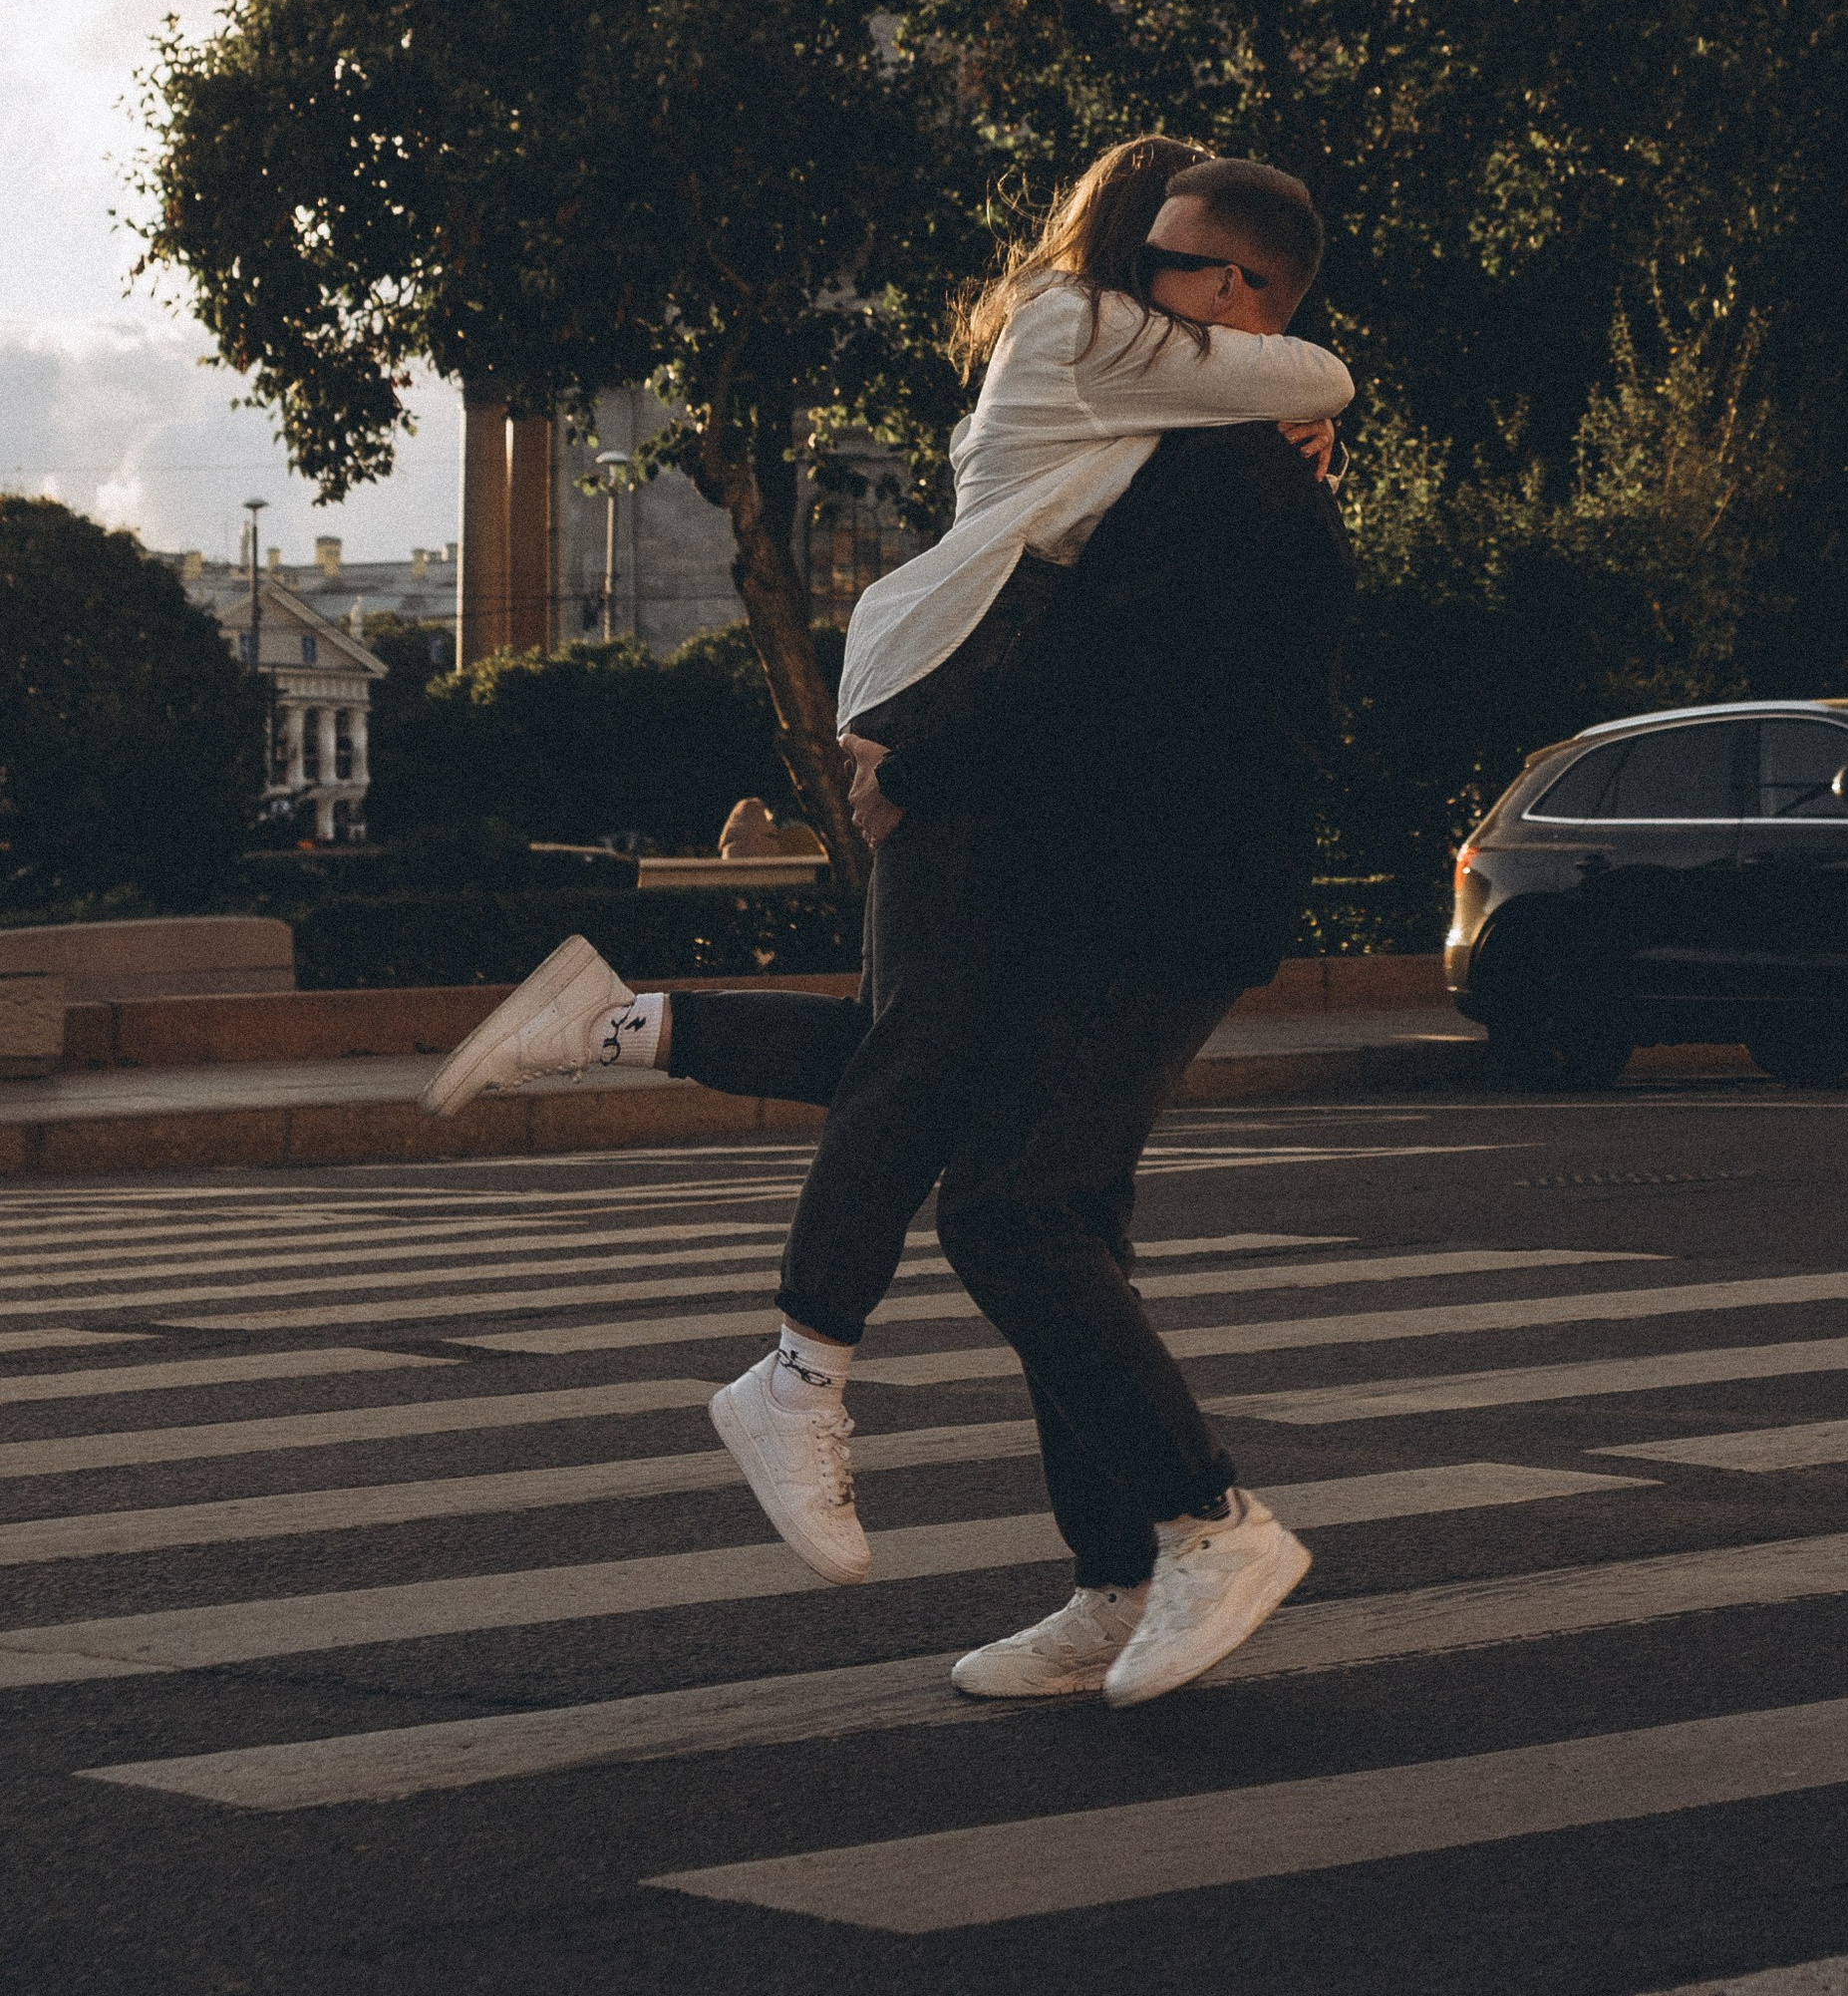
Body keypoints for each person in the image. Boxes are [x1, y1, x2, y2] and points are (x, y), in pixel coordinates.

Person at [420, 141, 1353, 1704]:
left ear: (1249, 294)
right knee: (1026, 1176)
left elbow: (1115, 682)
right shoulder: (1162, 417)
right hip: (1095, 863)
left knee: (1008, 1205)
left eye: (1187, 272)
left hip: (1166, 888)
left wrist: (929, 763)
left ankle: (1208, 1519)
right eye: (1153, 264)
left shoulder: (1230, 460)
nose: (1157, 294)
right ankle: (1121, 1578)